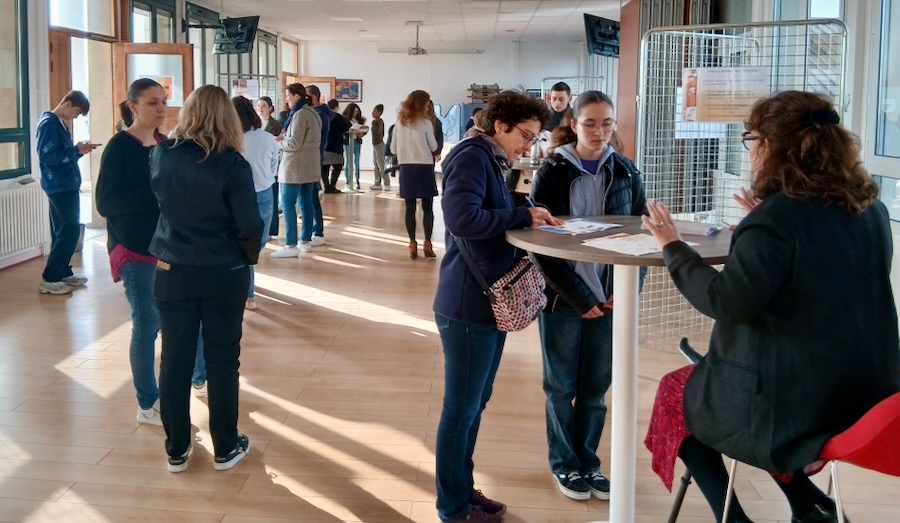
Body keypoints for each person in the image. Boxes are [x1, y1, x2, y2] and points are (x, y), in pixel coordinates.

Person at [642, 90, 900, 523]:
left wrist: (673, 247)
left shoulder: (777, 220)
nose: (749, 151)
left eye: (750, 139)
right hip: (864, 394)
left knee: (675, 393)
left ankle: (735, 518)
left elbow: (726, 302)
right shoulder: (870, 208)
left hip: (796, 406)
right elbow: (820, 276)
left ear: (770, 145)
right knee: (707, 387)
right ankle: (807, 503)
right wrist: (759, 227)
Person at [433, 90, 564, 523]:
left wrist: (526, 209)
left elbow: (489, 208)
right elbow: (462, 219)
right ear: (500, 125)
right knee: (461, 411)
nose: (528, 146)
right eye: (525, 135)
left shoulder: (489, 158)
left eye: (535, 138)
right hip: (467, 303)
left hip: (484, 300)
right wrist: (521, 217)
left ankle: (462, 490)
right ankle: (453, 508)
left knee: (474, 405)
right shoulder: (472, 156)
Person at [531, 91, 647, 501]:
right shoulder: (553, 171)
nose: (600, 132)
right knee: (561, 387)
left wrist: (623, 291)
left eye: (607, 123)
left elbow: (641, 237)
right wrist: (582, 297)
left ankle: (589, 463)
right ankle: (564, 464)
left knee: (595, 390)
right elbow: (539, 244)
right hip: (563, 299)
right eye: (591, 123)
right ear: (574, 124)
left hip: (611, 300)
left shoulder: (626, 170)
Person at [149, 84, 264, 473]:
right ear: (227, 117)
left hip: (172, 269)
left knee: (174, 360)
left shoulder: (163, 154)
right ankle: (225, 447)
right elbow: (250, 224)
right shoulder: (232, 163)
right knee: (222, 359)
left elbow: (159, 202)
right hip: (222, 271)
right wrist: (247, 258)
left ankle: (176, 449)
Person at [95, 78, 168, 426]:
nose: (161, 108)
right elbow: (106, 203)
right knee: (147, 324)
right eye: (152, 102)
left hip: (165, 247)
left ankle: (189, 381)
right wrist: (154, 193)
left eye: (163, 101)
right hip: (134, 249)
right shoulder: (119, 148)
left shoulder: (164, 144)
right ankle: (146, 402)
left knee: (173, 320)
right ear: (133, 107)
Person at [35, 90, 99, 295]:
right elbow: (47, 157)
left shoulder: (59, 124)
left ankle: (61, 272)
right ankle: (50, 277)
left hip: (65, 184)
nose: (75, 117)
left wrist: (79, 151)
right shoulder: (49, 124)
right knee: (70, 229)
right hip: (59, 185)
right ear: (68, 104)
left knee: (61, 230)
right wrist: (75, 150)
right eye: (76, 112)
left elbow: (62, 156)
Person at [233, 96, 278, 309]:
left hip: (238, 197)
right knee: (257, 244)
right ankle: (248, 290)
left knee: (240, 245)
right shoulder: (267, 138)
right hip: (265, 193)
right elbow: (274, 165)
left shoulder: (230, 139)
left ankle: (248, 293)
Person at [270, 83, 322, 258]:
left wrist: (278, 142)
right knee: (306, 203)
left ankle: (290, 244)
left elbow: (294, 143)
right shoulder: (313, 113)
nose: (286, 100)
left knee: (287, 204)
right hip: (310, 166)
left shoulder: (299, 115)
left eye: (288, 96)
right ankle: (304, 240)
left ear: (296, 96)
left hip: (294, 167)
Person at [391, 90, 439, 260]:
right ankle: (428, 244)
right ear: (421, 104)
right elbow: (433, 147)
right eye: (426, 103)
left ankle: (412, 245)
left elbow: (393, 149)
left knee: (409, 208)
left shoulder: (400, 123)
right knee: (427, 208)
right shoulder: (426, 123)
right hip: (424, 167)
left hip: (406, 168)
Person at [305, 84, 332, 244]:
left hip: (313, 159)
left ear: (314, 96)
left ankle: (317, 232)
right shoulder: (316, 113)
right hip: (312, 159)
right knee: (309, 196)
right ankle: (313, 231)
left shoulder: (320, 115)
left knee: (312, 197)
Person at [322, 99, 350, 193]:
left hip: (324, 145)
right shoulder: (338, 117)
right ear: (337, 107)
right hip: (336, 146)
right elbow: (346, 128)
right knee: (338, 165)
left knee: (324, 167)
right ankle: (332, 185)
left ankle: (326, 186)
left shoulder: (324, 115)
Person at [342, 102, 367, 192]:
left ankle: (357, 181)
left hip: (357, 142)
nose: (355, 113)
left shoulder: (358, 120)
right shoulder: (345, 120)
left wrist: (361, 131)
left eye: (357, 111)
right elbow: (344, 131)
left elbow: (362, 131)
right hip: (348, 142)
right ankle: (348, 180)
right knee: (348, 161)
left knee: (356, 161)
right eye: (354, 111)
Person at [370, 104, 388, 190]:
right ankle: (377, 183)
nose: (372, 113)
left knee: (381, 165)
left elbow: (378, 132)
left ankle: (387, 184)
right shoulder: (375, 122)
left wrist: (373, 125)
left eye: (374, 111)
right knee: (376, 164)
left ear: (379, 112)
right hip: (375, 145)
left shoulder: (379, 121)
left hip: (379, 145)